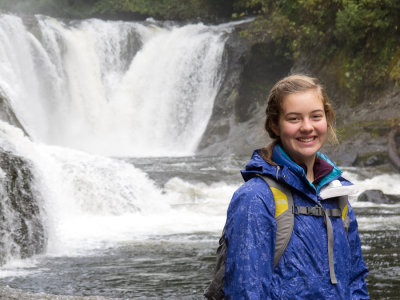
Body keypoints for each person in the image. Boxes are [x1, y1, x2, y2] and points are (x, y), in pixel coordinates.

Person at [223, 74, 369, 299]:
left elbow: (355, 280)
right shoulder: (255, 198)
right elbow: (246, 291)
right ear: (274, 125)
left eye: (316, 116)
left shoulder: (337, 193)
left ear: (327, 119)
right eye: (294, 119)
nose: (307, 127)